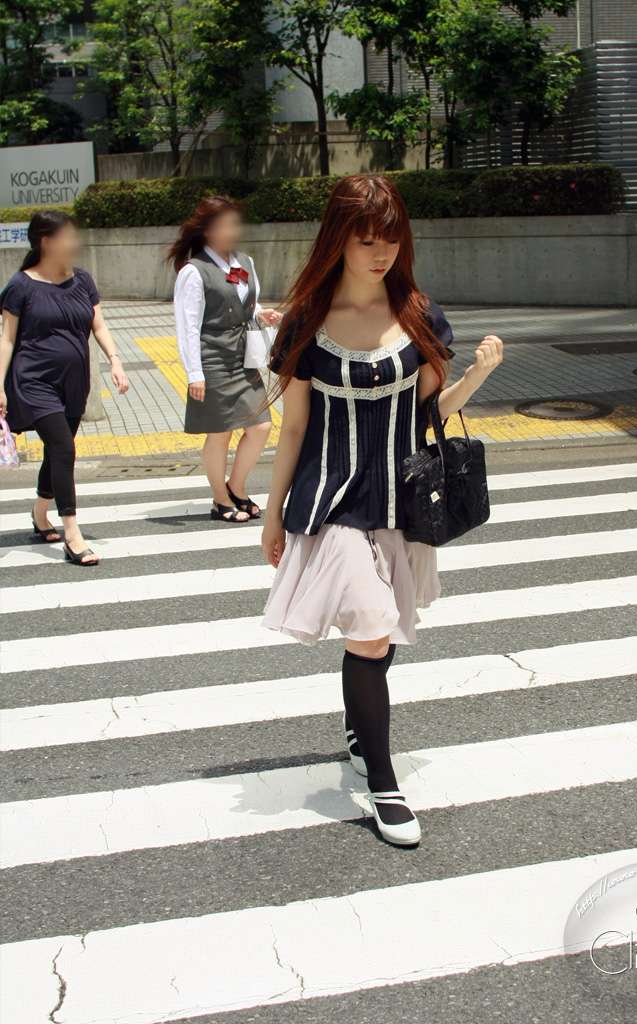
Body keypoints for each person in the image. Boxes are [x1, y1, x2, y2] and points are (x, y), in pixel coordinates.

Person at [261, 175, 503, 847]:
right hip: (334, 498)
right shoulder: (308, 324)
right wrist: (272, 512)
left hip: (402, 497)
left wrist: (477, 376)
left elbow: (431, 413)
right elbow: (295, 427)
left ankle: (361, 730)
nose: (381, 253)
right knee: (369, 630)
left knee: (383, 631)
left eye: (391, 239)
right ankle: (385, 783)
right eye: (366, 240)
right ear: (338, 239)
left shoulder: (419, 314)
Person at [0, 210, 129, 566]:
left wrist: (115, 359)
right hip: (34, 381)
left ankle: (40, 513)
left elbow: (98, 325)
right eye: (67, 237)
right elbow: (7, 339)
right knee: (63, 448)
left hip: (74, 383)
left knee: (58, 451)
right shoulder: (20, 286)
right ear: (46, 242)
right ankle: (72, 533)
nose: (74, 243)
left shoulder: (83, 280)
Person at [170, 196, 282, 523]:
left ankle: (236, 485)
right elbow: (188, 326)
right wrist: (195, 373)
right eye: (223, 225)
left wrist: (262, 314)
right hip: (212, 358)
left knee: (261, 426)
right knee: (220, 432)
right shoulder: (194, 271)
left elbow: (245, 303)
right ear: (206, 231)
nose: (232, 230)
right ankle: (220, 498)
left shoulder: (243, 262)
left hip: (243, 355)